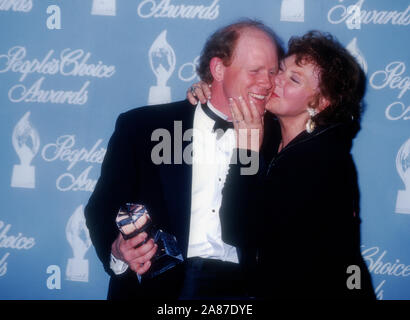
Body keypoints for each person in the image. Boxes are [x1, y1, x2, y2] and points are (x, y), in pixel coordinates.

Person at [84, 19, 283, 300]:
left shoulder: (282, 138)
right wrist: (117, 251)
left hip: (246, 289)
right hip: (162, 286)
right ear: (218, 69)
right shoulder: (145, 127)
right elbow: (102, 206)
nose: (266, 82)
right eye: (255, 71)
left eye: (273, 72)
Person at [187, 31, 376, 299]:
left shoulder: (322, 162)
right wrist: (209, 89)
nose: (275, 81)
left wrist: (247, 146)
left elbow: (238, 230)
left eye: (294, 79)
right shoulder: (277, 135)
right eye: (281, 70)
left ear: (320, 103)